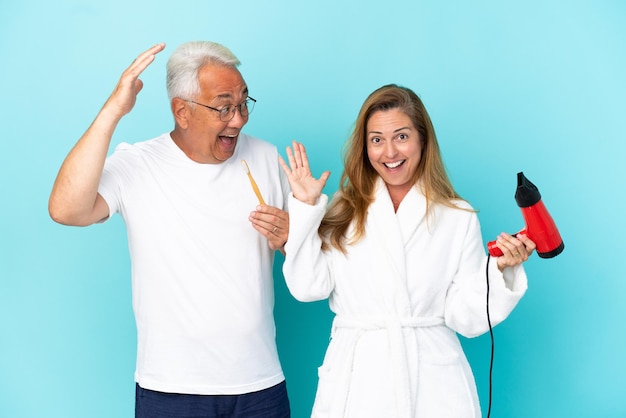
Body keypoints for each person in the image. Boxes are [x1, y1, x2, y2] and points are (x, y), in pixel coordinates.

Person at [48, 41, 291, 418]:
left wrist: (292, 238)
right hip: (171, 389)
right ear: (182, 111)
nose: (239, 119)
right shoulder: (138, 164)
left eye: (244, 103)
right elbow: (66, 209)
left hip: (260, 386)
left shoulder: (267, 159)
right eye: (224, 107)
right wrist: (113, 111)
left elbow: (312, 262)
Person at [278, 84, 536, 418]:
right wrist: (304, 208)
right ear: (364, 146)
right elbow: (309, 287)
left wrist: (499, 270)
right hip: (359, 382)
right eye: (376, 140)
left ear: (422, 140)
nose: (389, 152)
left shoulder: (457, 215)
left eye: (401, 136)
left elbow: (466, 317)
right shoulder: (343, 211)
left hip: (433, 383)